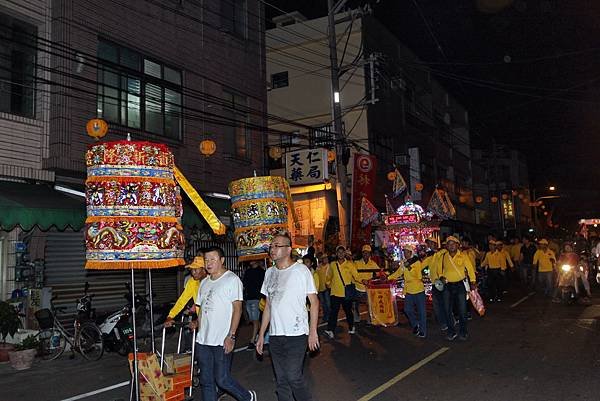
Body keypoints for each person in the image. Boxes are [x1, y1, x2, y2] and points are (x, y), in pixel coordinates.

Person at [257, 233, 319, 401]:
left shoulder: (301, 270)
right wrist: (262, 335)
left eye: (277, 246)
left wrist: (313, 332)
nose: (272, 249)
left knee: (293, 377)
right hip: (276, 336)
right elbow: (268, 306)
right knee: (282, 380)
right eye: (271, 246)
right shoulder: (269, 273)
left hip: (297, 335)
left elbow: (314, 302)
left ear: (288, 249)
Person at [193, 246, 257, 401]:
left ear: (222, 260)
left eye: (212, 259)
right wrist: (199, 330)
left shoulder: (232, 280)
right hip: (203, 341)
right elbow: (201, 310)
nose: (209, 263)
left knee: (222, 379)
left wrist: (231, 336)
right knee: (206, 381)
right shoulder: (204, 283)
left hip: (222, 339)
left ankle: (247, 397)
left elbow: (238, 310)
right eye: (206, 260)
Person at [434, 236, 476, 341]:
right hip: (447, 286)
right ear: (446, 246)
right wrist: (441, 276)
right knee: (447, 310)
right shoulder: (443, 257)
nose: (451, 246)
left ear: (457, 245)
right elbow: (439, 269)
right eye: (449, 244)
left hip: (460, 285)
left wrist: (473, 281)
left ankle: (463, 331)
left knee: (462, 310)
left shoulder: (463, 256)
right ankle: (451, 332)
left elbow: (470, 268)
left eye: (453, 244)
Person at [388, 245, 426, 338]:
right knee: (407, 309)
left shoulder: (416, 262)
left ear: (410, 253)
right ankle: (415, 324)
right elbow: (398, 273)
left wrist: (409, 267)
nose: (405, 253)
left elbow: (418, 276)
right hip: (408, 290)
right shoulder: (404, 262)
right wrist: (388, 277)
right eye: (404, 252)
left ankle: (423, 330)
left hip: (418, 289)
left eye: (406, 252)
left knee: (421, 311)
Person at [324, 245, 361, 339]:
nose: (340, 254)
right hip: (335, 293)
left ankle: (351, 326)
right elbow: (328, 277)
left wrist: (363, 281)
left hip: (346, 293)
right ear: (336, 254)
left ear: (345, 253)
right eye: (339, 252)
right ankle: (331, 330)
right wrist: (328, 285)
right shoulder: (332, 265)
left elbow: (356, 276)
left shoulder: (350, 264)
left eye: (342, 252)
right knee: (334, 312)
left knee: (348, 311)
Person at [164, 256, 207, 327]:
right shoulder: (192, 282)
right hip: (201, 320)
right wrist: (170, 316)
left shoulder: (212, 283)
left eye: (196, 269)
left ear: (204, 270)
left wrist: (198, 321)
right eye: (192, 270)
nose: (193, 272)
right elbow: (182, 300)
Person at [424, 237, 448, 332]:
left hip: (442, 281)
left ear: (434, 244)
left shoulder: (441, 253)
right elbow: (422, 265)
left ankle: (447, 321)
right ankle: (444, 322)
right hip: (435, 283)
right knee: (437, 304)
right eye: (428, 243)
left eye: (430, 243)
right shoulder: (430, 256)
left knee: (443, 303)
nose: (428, 245)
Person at [353, 244, 380, 323]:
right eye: (364, 252)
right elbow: (355, 275)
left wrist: (387, 275)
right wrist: (362, 280)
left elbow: (379, 272)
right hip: (358, 287)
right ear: (362, 253)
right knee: (356, 305)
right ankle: (357, 318)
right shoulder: (356, 263)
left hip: (368, 288)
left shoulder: (373, 263)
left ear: (370, 254)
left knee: (370, 305)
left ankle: (369, 319)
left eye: (367, 253)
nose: (366, 254)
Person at [242, 260, 265, 350]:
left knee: (255, 320)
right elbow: (244, 284)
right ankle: (260, 334)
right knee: (253, 320)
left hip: (257, 298)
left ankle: (252, 340)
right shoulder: (248, 271)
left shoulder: (262, 272)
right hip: (249, 298)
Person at [316, 255, 331, 323]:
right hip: (320, 288)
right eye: (324, 258)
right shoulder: (318, 267)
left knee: (328, 304)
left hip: (326, 288)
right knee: (323, 304)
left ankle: (329, 317)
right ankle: (325, 317)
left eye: (327, 258)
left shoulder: (329, 266)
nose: (326, 259)